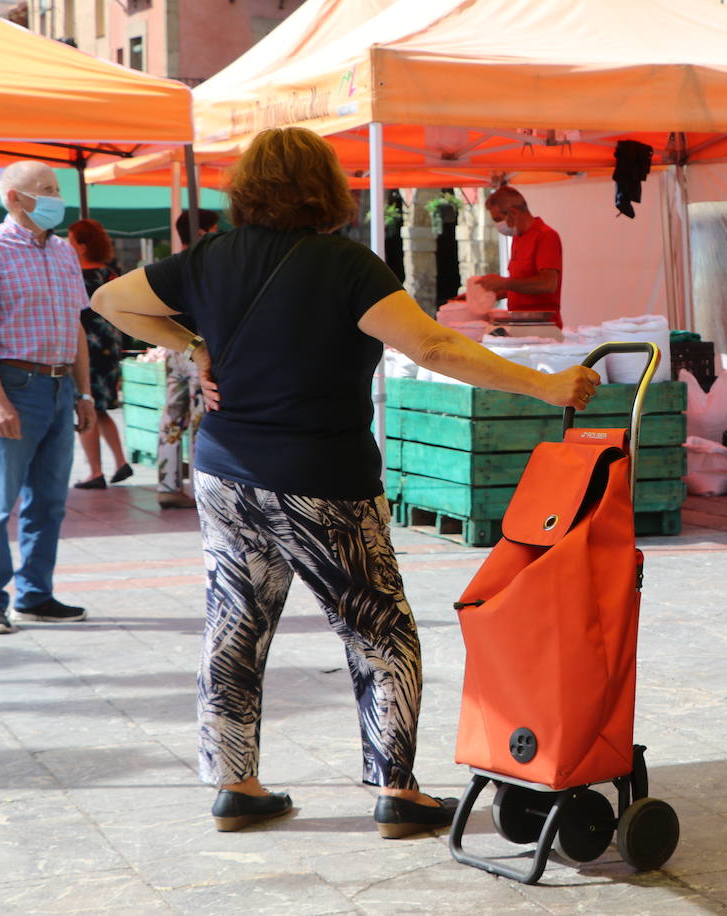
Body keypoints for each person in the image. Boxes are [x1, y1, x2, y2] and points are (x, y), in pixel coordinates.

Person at [92, 127, 599, 837]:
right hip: (322, 480)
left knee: (234, 624)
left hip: (228, 473)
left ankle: (235, 784)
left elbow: (111, 298)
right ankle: (396, 790)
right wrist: (543, 387)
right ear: (324, 188)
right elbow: (430, 343)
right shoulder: (347, 265)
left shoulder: (210, 257)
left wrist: (194, 345)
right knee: (379, 630)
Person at [0, 162, 96, 636]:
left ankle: (36, 595)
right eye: (44, 190)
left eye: (56, 188)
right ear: (14, 199)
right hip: (15, 384)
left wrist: (84, 392)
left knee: (49, 500)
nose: (55, 197)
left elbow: (76, 327)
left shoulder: (61, 252)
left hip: (61, 386)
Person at [154, 209, 220, 509]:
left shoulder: (170, 265)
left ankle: (167, 485)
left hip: (173, 346)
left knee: (171, 416)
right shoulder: (205, 265)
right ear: (203, 232)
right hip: (198, 347)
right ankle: (198, 488)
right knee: (199, 417)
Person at [66, 219, 131, 490]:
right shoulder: (110, 273)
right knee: (102, 408)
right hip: (110, 344)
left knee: (85, 405)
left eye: (70, 241)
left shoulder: (73, 275)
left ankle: (94, 471)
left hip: (86, 348)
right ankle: (120, 461)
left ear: (81, 246)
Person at [474, 185, 563, 327]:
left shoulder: (546, 236)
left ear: (513, 213)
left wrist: (503, 282)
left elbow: (548, 284)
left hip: (542, 326)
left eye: (498, 219)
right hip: (518, 322)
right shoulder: (517, 238)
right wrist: (486, 295)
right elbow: (519, 285)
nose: (498, 225)